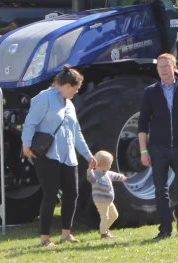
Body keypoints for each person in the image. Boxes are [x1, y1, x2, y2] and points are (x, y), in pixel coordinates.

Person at [21, 65, 97, 247]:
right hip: (48, 155)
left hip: (68, 155)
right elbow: (30, 123)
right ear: (66, 85)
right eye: (76, 88)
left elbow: (76, 132)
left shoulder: (69, 104)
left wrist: (88, 155)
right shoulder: (43, 98)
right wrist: (26, 145)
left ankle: (66, 234)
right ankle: (44, 238)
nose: (77, 92)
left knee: (72, 193)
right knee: (50, 195)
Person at [137, 52, 178, 240]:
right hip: (158, 148)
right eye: (160, 67)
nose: (163, 70)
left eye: (166, 66)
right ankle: (165, 229)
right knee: (160, 190)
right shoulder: (150, 92)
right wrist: (143, 151)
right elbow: (142, 124)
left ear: (174, 67)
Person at [86, 150, 128, 239]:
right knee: (105, 216)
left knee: (115, 215)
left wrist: (122, 177)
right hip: (100, 201)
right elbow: (91, 178)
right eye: (109, 164)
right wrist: (89, 169)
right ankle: (104, 234)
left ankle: (104, 229)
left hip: (109, 200)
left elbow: (114, 175)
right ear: (105, 165)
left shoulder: (107, 173)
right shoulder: (95, 174)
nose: (110, 166)